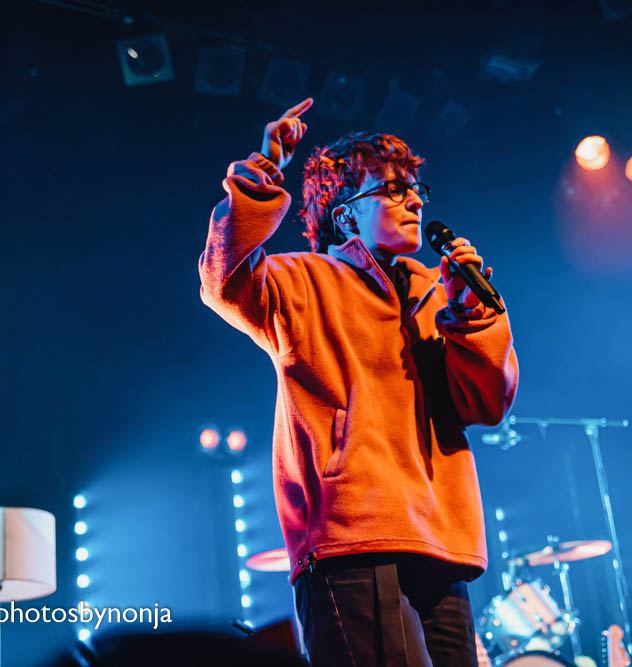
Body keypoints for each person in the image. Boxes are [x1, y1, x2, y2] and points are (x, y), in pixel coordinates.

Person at [199, 97, 519, 666]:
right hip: (352, 541)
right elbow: (224, 280)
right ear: (346, 214)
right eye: (393, 189)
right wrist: (261, 176)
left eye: (415, 189)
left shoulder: (437, 294)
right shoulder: (302, 281)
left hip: (443, 540)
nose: (414, 199)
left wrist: (471, 316)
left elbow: (487, 404)